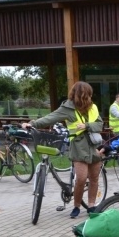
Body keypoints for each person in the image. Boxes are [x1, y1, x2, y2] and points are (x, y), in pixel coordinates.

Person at [23, 81, 104, 218]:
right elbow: (50, 118)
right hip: (78, 146)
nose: (90, 96)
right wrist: (31, 124)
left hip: (94, 144)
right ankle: (76, 206)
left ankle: (91, 205)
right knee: (82, 178)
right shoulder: (67, 108)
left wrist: (87, 125)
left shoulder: (93, 107)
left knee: (94, 177)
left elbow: (100, 124)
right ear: (82, 94)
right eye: (88, 94)